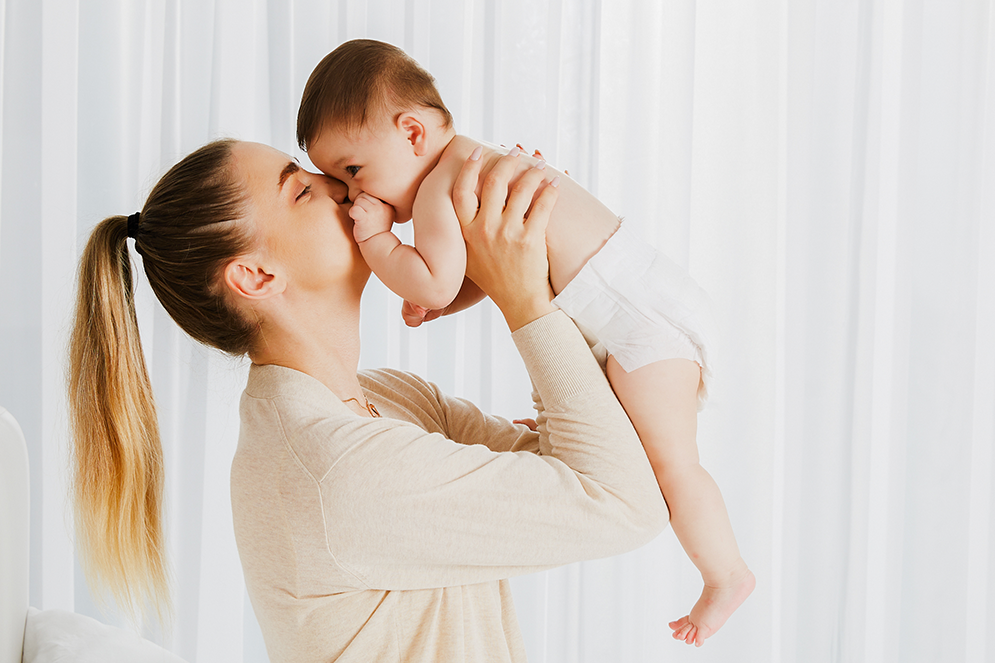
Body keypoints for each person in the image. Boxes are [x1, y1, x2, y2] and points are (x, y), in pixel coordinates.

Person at [67, 138, 668, 662]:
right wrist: (526, 297)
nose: (337, 185)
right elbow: (624, 501)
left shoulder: (392, 400)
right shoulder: (338, 469)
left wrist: (553, 256)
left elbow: (625, 451)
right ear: (255, 277)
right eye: (300, 191)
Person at [296, 38, 755, 647]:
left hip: (639, 327)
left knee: (670, 466)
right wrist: (443, 295)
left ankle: (726, 574)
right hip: (644, 301)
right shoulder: (469, 164)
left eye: (353, 171)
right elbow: (490, 270)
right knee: (631, 443)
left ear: (412, 134)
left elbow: (435, 281)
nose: (355, 196)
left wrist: (382, 242)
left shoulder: (437, 189)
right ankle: (718, 564)